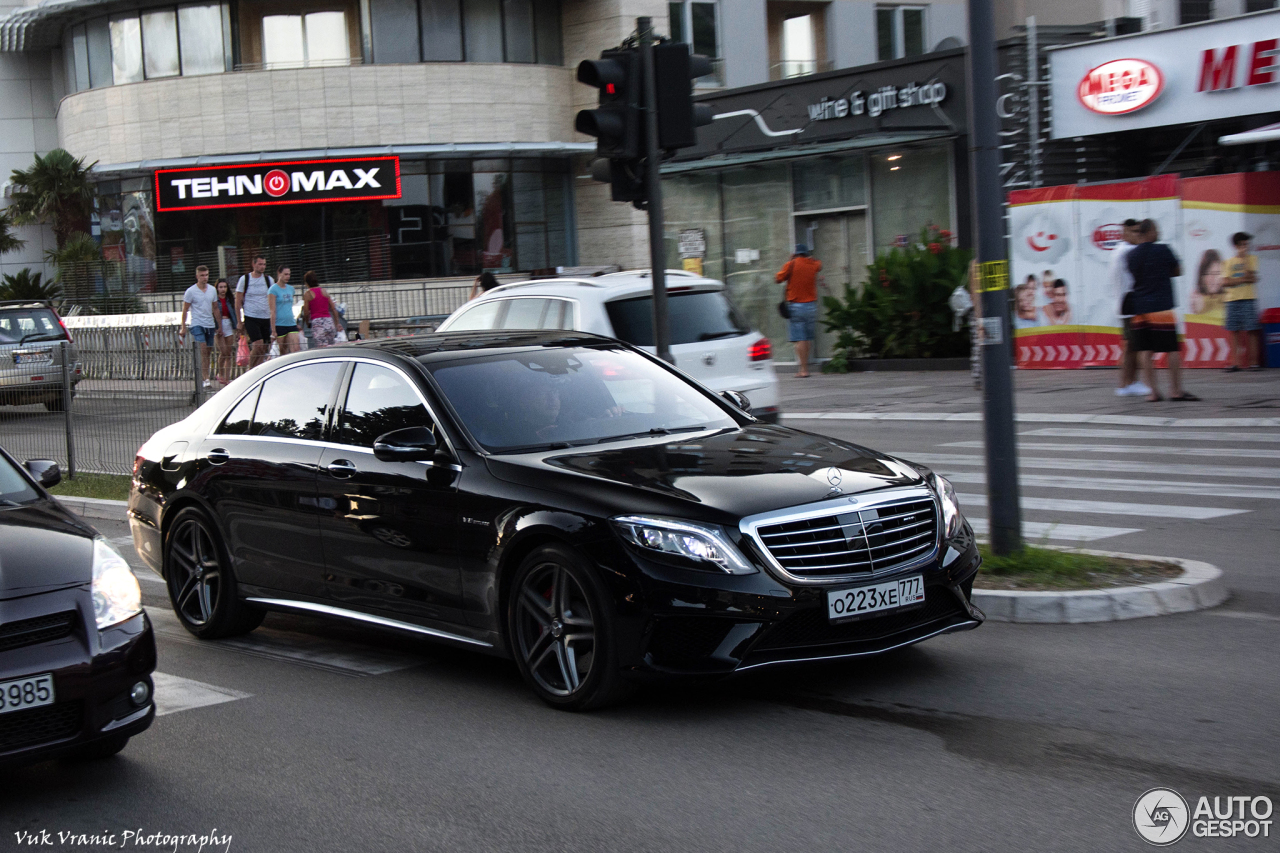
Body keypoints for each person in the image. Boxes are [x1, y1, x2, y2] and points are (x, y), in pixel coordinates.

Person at [1127, 219, 1199, 402]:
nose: (1158, 233)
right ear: (1149, 231)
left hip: (1140, 308)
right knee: (1171, 350)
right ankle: (1175, 391)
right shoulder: (1163, 250)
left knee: (1145, 351)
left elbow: (1134, 275)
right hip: (1161, 308)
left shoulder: (1131, 255)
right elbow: (1178, 270)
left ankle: (1153, 392)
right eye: (1156, 229)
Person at [1109, 219, 1150, 397]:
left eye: (1139, 232)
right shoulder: (1128, 251)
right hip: (1129, 302)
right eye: (1133, 232)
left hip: (1126, 302)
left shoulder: (1119, 250)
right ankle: (1126, 384)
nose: (1137, 235)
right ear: (1124, 233)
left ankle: (1129, 383)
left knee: (1132, 346)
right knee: (1131, 347)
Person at [775, 243, 824, 378]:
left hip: (796, 306)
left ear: (796, 253)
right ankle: (805, 366)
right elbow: (819, 265)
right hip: (811, 306)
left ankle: (803, 369)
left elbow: (778, 279)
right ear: (806, 253)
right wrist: (812, 259)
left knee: (799, 339)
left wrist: (791, 261)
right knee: (807, 338)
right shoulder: (812, 264)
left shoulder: (791, 265)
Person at [1222, 231, 1261, 372]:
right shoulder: (1228, 262)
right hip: (1232, 300)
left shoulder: (1252, 259)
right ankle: (1235, 363)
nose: (1246, 247)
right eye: (1243, 245)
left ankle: (1254, 363)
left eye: (1247, 244)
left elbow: (1252, 277)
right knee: (1234, 331)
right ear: (1236, 246)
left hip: (1248, 298)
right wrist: (1242, 279)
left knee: (1252, 330)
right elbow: (1225, 282)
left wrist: (1244, 261)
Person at [178, 265, 219, 389]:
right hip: (197, 323)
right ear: (197, 276)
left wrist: (219, 325)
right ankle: (205, 378)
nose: (204, 277)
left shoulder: (212, 290)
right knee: (202, 348)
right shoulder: (191, 291)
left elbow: (215, 308)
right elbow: (185, 310)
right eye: (202, 275)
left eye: (206, 275)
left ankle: (204, 374)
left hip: (210, 324)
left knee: (208, 351)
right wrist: (183, 327)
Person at [235, 254, 275, 368]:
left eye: (264, 264)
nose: (262, 267)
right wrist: (239, 321)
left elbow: (273, 298)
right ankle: (250, 370)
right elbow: (237, 301)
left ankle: (258, 370)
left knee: (263, 348)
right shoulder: (245, 279)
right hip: (251, 316)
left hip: (266, 316)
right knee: (257, 345)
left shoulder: (269, 280)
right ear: (254, 264)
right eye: (260, 264)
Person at [268, 265, 300, 355]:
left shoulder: (291, 289)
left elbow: (289, 306)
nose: (288, 277)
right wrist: (273, 330)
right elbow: (272, 310)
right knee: (282, 351)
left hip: (291, 322)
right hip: (279, 324)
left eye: (289, 274)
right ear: (279, 274)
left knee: (296, 349)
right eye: (285, 274)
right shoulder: (273, 290)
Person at [302, 271, 338, 348]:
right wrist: (337, 323)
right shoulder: (324, 291)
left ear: (307, 282)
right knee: (331, 347)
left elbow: (306, 312)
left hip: (317, 323)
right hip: (329, 322)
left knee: (321, 348)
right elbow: (333, 308)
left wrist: (307, 322)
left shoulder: (308, 294)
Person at [1189, 249, 1226, 323]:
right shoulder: (1197, 298)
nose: (1213, 278)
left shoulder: (1227, 296)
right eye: (1208, 273)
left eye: (1217, 273)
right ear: (1201, 276)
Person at [213, 278, 237, 384]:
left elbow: (234, 313)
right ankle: (220, 373)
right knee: (223, 352)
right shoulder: (215, 300)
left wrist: (237, 327)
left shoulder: (230, 299)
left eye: (225, 287)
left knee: (229, 353)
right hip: (219, 324)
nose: (223, 289)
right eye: (220, 287)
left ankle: (227, 377)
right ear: (217, 288)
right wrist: (217, 327)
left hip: (228, 324)